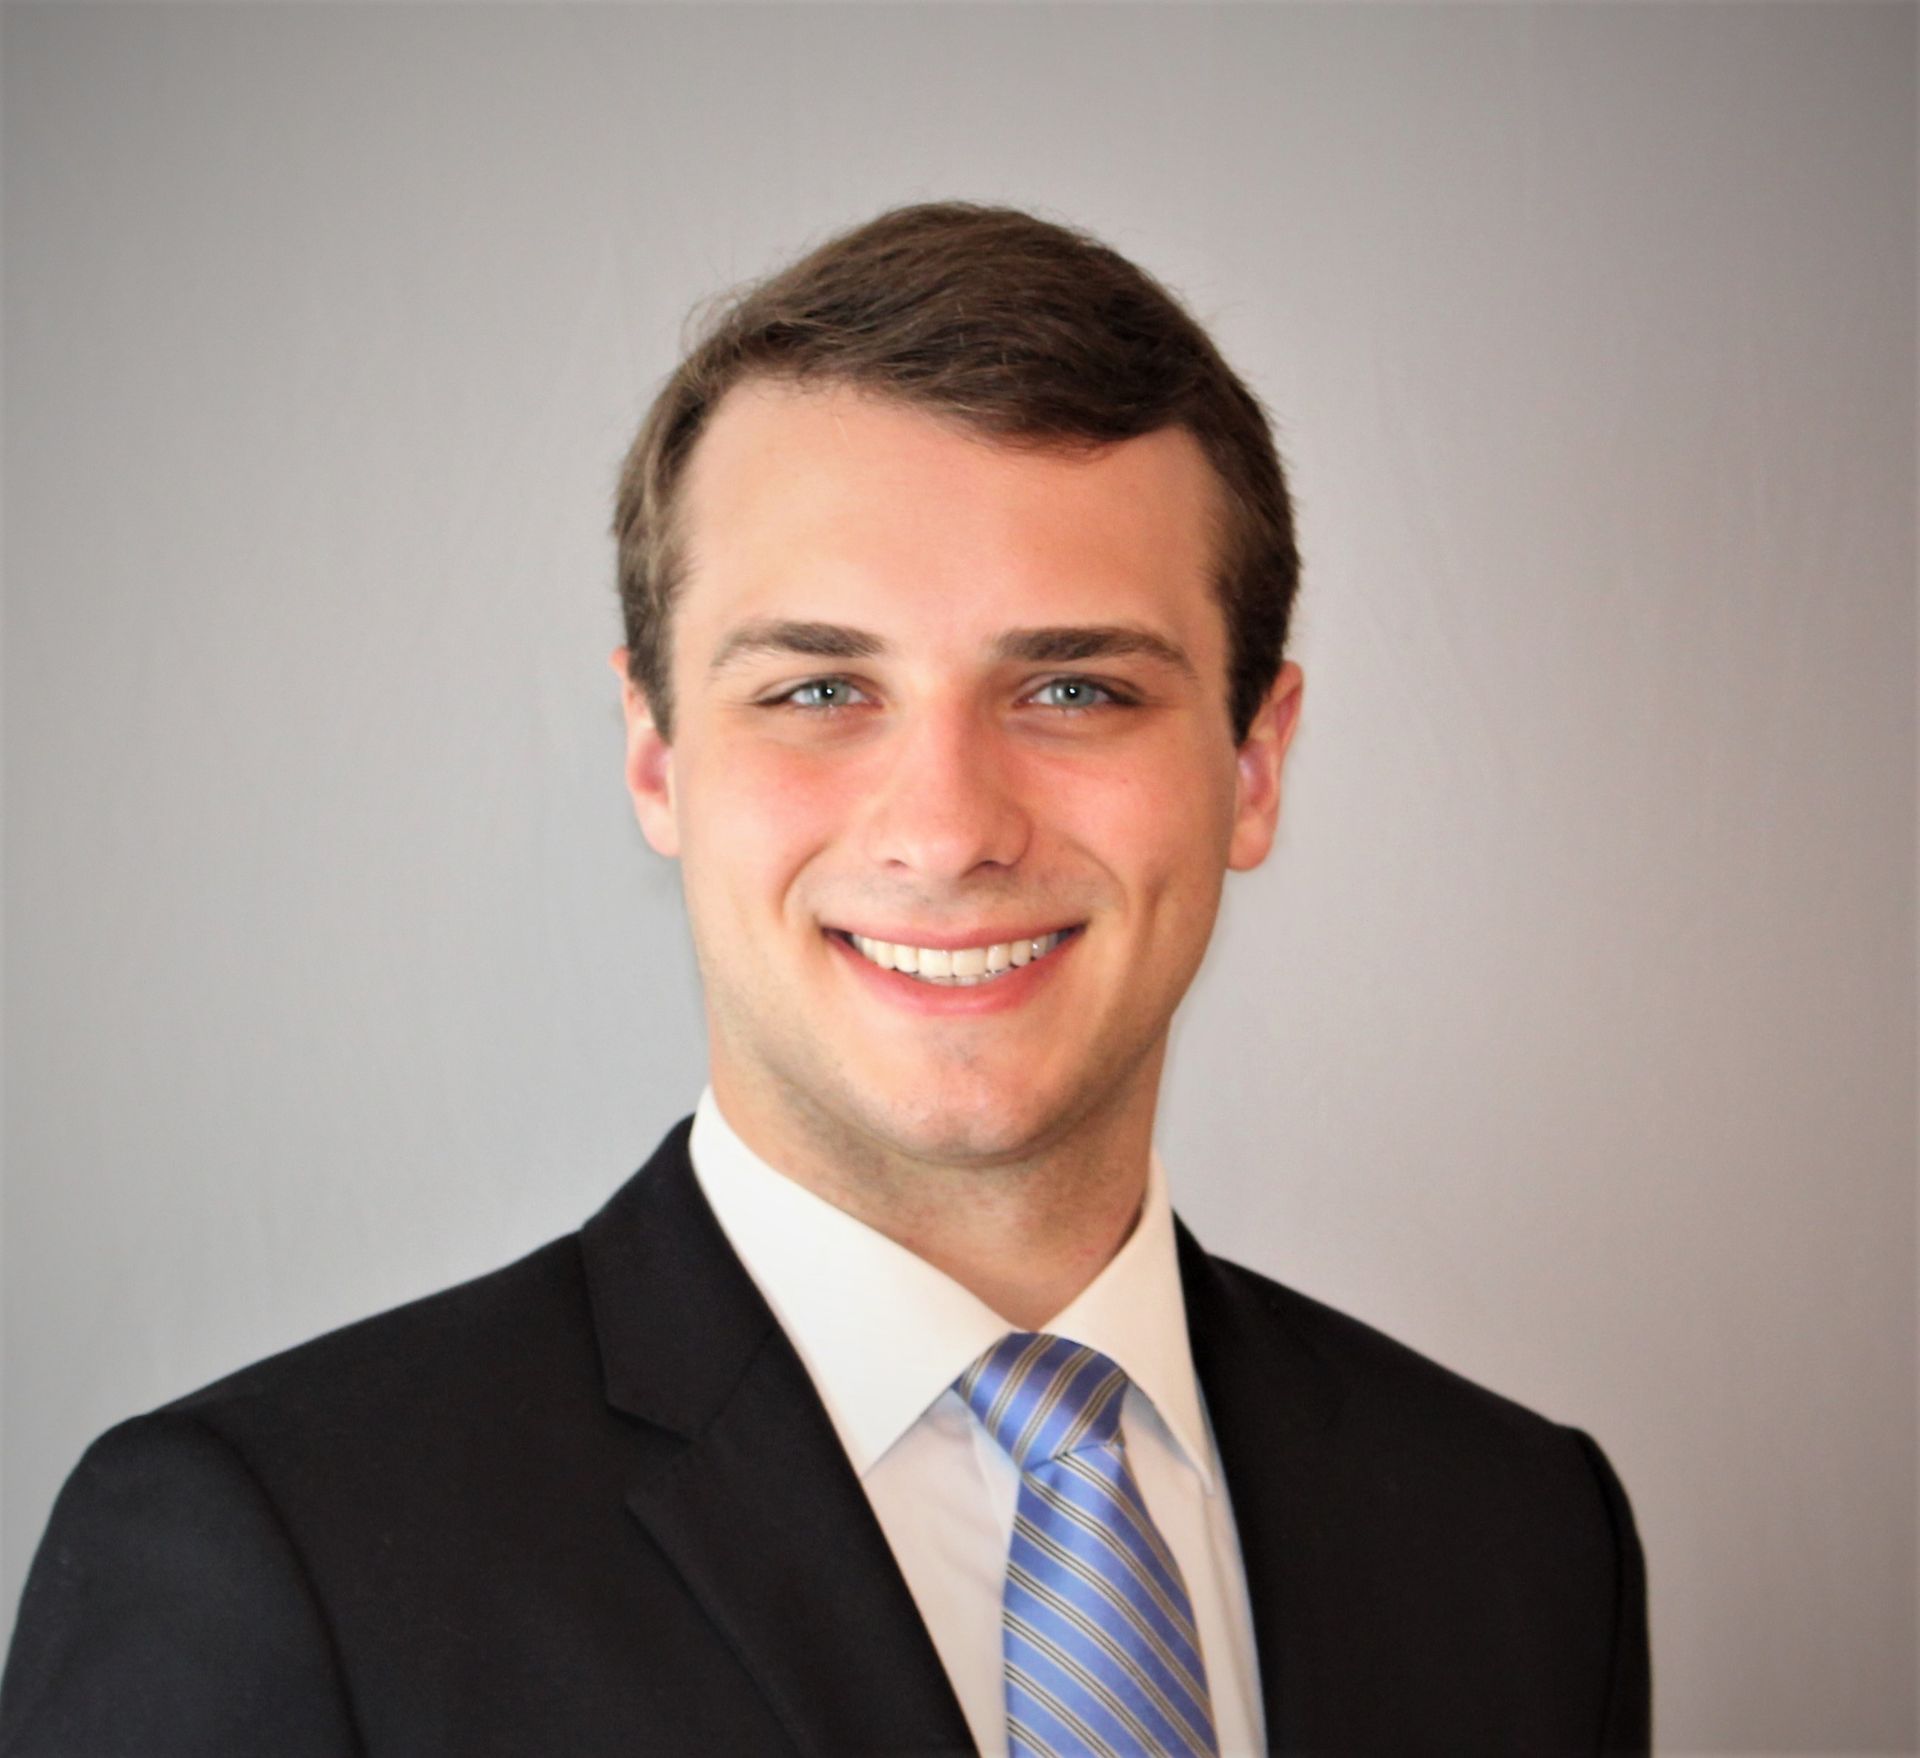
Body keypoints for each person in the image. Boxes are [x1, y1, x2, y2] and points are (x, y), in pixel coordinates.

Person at [0, 202, 1650, 1756]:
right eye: (817, 691)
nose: (948, 828)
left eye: (1075, 688)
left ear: (1255, 764)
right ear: (656, 757)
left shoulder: (1522, 1533)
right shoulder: (269, 1555)